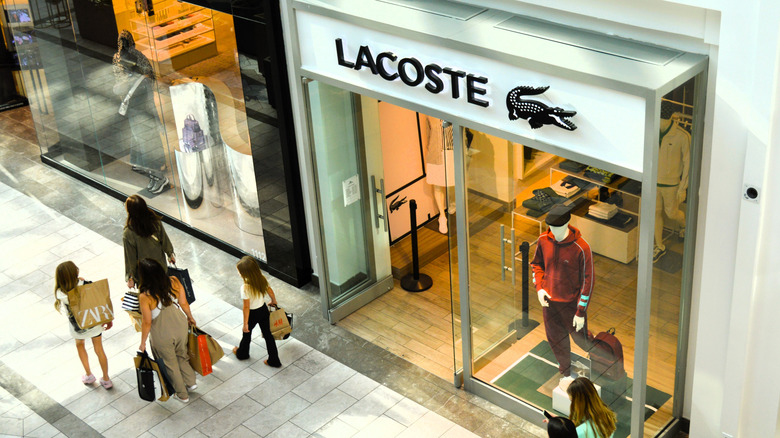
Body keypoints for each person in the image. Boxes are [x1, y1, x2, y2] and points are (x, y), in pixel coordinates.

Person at [531, 205, 594, 386]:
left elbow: (588, 282)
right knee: (555, 339)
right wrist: (540, 288)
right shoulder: (543, 239)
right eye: (551, 227)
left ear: (567, 223)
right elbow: (537, 264)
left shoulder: (581, 248)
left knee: (583, 340)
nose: (553, 231)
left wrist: (580, 311)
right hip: (549, 303)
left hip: (571, 305)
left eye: (557, 227)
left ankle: (603, 364)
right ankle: (565, 373)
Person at [113, 29, 170, 194]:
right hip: (137, 112)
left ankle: (157, 176)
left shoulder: (118, 58)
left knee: (145, 144)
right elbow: (150, 94)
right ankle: (155, 175)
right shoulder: (140, 74)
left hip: (135, 110)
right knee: (145, 143)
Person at [137, 258, 197, 402]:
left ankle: (182, 395)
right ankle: (191, 382)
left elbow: (147, 322)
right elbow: (183, 303)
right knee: (182, 355)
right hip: (180, 325)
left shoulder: (145, 296)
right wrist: (190, 317)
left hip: (162, 334)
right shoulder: (174, 281)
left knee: (170, 364)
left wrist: (143, 342)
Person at [53, 261, 113, 389]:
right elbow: (97, 299)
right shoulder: (86, 284)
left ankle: (88, 375)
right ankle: (106, 379)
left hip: (77, 327)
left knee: (80, 346)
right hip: (94, 323)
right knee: (99, 349)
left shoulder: (60, 293)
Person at [232, 256, 282, 367]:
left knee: (247, 334)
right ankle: (274, 360)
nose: (239, 273)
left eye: (239, 271)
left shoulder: (245, 287)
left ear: (244, 273)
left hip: (252, 313)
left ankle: (242, 353)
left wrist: (245, 324)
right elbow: (270, 291)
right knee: (268, 335)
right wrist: (273, 301)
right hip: (263, 310)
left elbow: (246, 307)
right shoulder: (261, 278)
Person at [123, 194, 175, 289]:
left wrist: (131, 277)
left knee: (148, 300)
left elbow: (130, 258)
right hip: (160, 268)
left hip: (144, 274)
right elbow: (164, 240)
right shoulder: (155, 222)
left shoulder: (128, 233)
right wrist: (170, 254)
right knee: (164, 293)